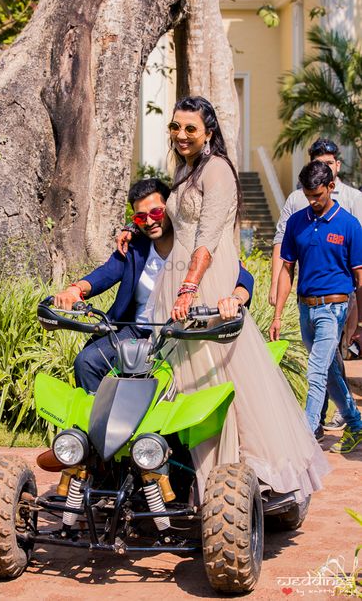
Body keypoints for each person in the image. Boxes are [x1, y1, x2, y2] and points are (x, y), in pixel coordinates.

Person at [121, 96, 328, 504]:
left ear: (209, 132)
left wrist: (189, 289)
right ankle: (190, 485)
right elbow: (174, 230)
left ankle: (235, 483)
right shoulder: (183, 171)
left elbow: (208, 239)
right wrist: (133, 229)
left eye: (190, 129)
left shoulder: (217, 172)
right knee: (185, 391)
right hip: (178, 284)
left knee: (218, 387)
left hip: (205, 289)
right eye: (175, 127)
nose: (181, 135)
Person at [54, 178, 254, 394]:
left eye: (156, 213)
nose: (149, 221)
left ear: (170, 209)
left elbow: (243, 277)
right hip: (134, 331)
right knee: (87, 362)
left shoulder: (194, 248)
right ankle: (98, 423)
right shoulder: (135, 248)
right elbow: (106, 273)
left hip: (178, 333)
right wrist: (75, 289)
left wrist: (234, 300)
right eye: (140, 217)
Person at [269, 161, 362, 454]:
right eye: (308, 195)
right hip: (305, 308)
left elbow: (360, 277)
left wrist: (359, 322)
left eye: (317, 195)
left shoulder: (350, 225)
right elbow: (286, 270)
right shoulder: (297, 222)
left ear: (331, 187)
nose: (312, 200)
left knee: (316, 370)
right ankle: (357, 425)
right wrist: (277, 314)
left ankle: (306, 436)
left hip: (334, 309)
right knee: (330, 371)